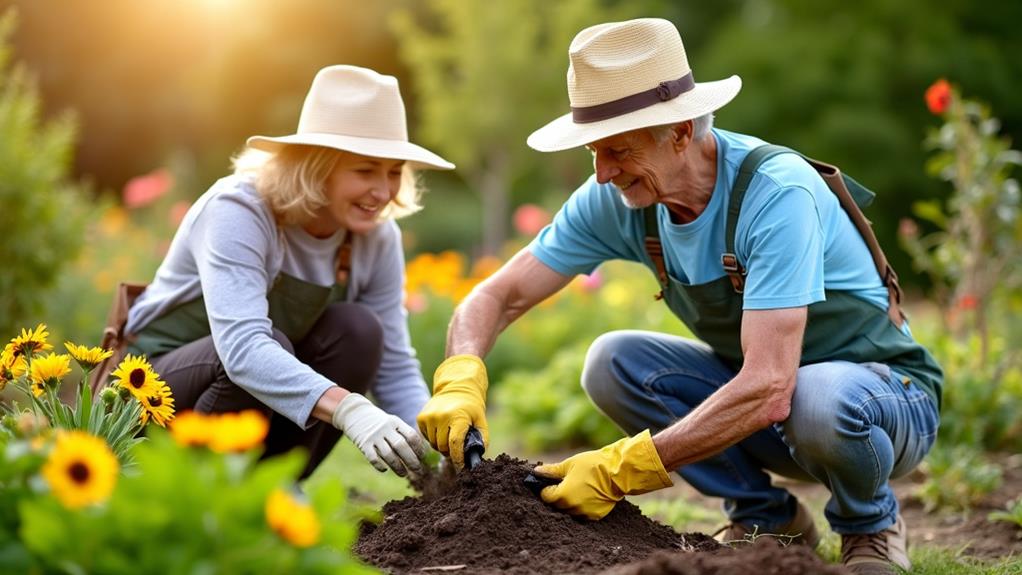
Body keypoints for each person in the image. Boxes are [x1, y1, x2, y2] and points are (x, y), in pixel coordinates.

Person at [417, 18, 941, 575]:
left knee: (818, 395)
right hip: (777, 410)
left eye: (617, 149)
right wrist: (460, 373)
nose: (602, 173)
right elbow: (499, 294)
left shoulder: (774, 194)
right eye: (595, 150)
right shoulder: (620, 199)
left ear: (682, 130)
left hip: (881, 401)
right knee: (613, 363)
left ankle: (871, 526)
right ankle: (767, 520)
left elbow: (769, 386)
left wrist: (623, 469)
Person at [125, 65, 455, 480]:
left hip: (247, 401)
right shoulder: (239, 211)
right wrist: (350, 409)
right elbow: (243, 351)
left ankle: (277, 488)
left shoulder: (375, 237)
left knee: (359, 330)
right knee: (265, 347)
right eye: (365, 170)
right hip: (151, 391)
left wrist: (435, 451)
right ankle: (191, 488)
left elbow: (392, 363)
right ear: (316, 166)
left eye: (393, 172)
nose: (384, 192)